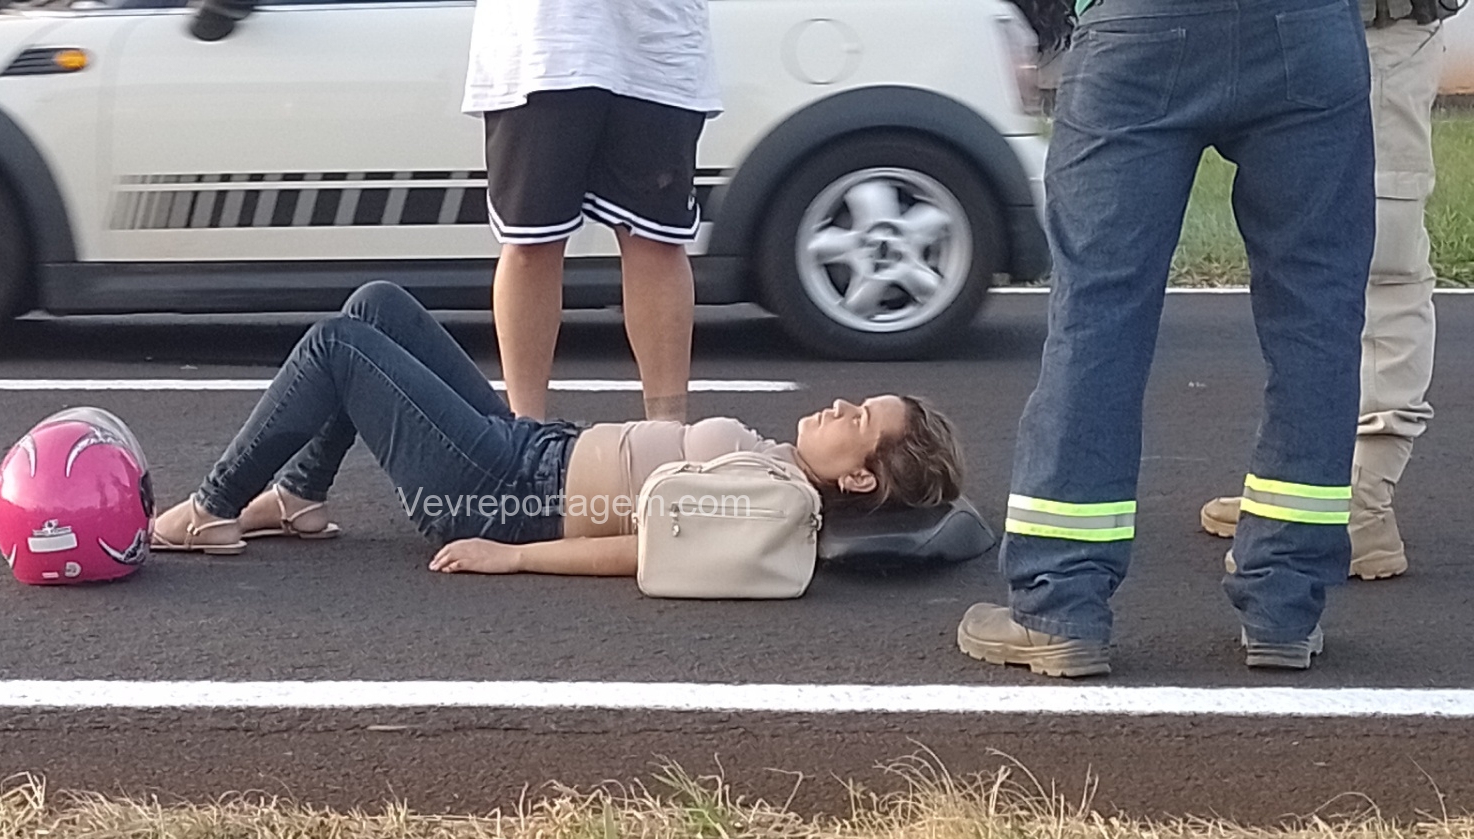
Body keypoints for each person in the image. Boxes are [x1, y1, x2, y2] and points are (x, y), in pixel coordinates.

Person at [957, 0, 1377, 677]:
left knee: (1098, 314)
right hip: (1305, 29)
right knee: (1316, 316)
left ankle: (1060, 602)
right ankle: (1286, 603)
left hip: (1140, 29)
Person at [149, 282, 965, 576]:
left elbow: (649, 547)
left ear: (859, 475)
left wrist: (512, 556)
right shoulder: (777, 460)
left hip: (501, 492)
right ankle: (300, 495)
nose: (839, 406)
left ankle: (212, 507)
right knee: (377, 307)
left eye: (859, 419)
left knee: (337, 345)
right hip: (524, 450)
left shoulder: (777, 496)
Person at [1198, 0, 1453, 581]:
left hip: (1377, 30)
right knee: (1300, 270)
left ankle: (1361, 504)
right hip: (1288, 30)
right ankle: (1300, 485)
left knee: (1383, 260)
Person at [461, 0, 722, 423]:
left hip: (656, 40)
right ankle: (525, 435)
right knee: (530, 243)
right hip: (541, 41)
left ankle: (668, 437)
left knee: (657, 241)